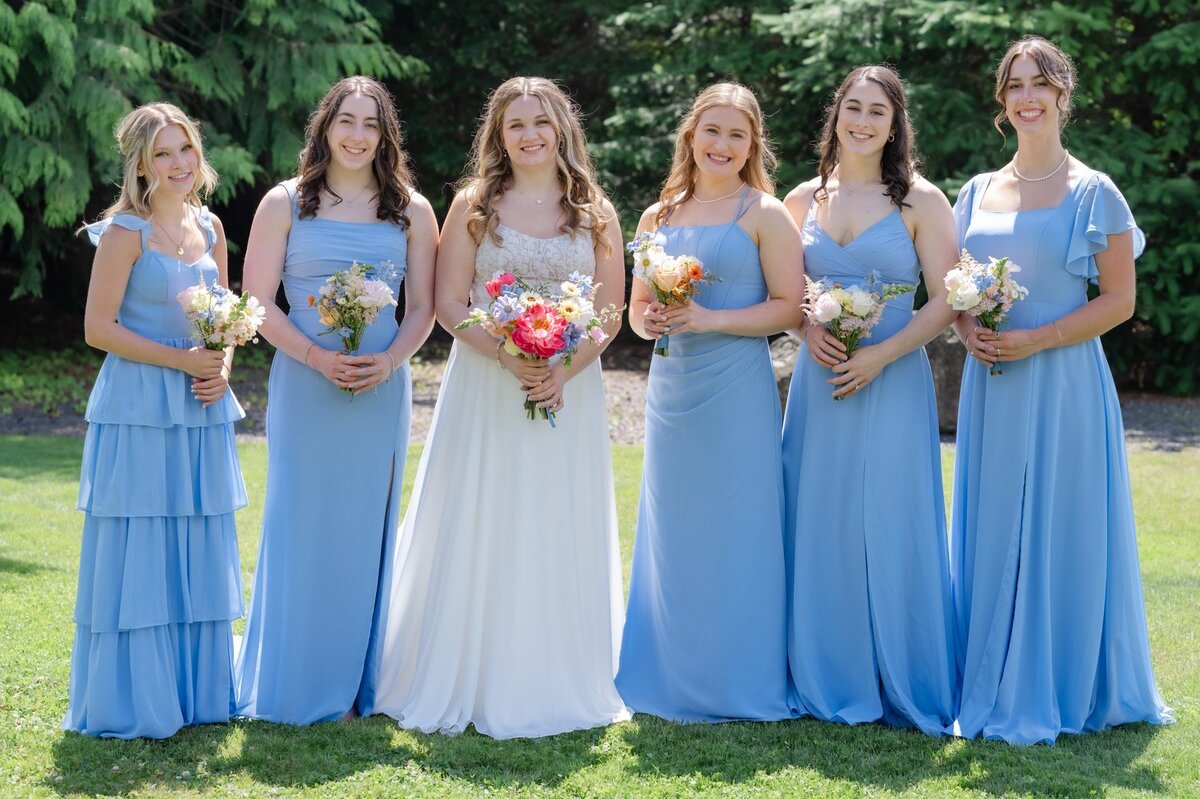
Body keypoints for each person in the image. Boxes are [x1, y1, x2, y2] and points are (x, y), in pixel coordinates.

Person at [370, 76, 628, 739]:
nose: (531, 134)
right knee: (485, 512)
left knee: (551, 515)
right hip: (489, 380)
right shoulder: (473, 205)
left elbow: (608, 311)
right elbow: (451, 301)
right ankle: (470, 668)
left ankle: (550, 670)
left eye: (542, 122)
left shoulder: (595, 209)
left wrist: (563, 368)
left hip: (567, 389)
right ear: (498, 134)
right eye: (516, 124)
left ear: (562, 129)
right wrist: (508, 354)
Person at [950, 36, 1173, 744]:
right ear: (1001, 100)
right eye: (1014, 84)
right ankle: (989, 672)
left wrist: (1038, 338)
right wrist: (968, 332)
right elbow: (954, 289)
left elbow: (1119, 301)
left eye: (1039, 84)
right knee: (992, 526)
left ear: (1062, 96)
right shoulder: (977, 191)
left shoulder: (1095, 190)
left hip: (1065, 381)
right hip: (993, 381)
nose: (1026, 96)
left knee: (1062, 522)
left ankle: (1065, 678)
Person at [234, 76, 437, 724]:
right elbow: (259, 303)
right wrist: (318, 355)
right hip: (304, 383)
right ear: (324, 128)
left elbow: (425, 307)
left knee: (363, 528)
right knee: (302, 523)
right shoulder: (284, 204)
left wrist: (389, 358)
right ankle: (292, 679)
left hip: (380, 390)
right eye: (345, 120)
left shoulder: (412, 210)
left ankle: (355, 685)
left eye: (370, 124)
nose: (356, 134)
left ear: (386, 135)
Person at [616, 82, 803, 722]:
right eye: (712, 131)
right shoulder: (656, 217)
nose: (722, 145)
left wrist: (708, 320)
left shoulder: (765, 214)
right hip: (671, 389)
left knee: (738, 523)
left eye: (737, 135)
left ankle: (736, 676)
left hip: (735, 386)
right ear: (691, 136)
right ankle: (669, 669)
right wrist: (656, 321)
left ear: (752, 145)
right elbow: (636, 313)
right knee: (676, 526)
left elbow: (788, 307)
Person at [781, 65, 959, 734]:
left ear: (894, 124)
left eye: (876, 111)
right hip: (820, 380)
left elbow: (946, 296)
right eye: (852, 107)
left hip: (893, 376)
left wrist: (884, 352)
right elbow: (786, 290)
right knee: (818, 515)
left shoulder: (921, 201)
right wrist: (807, 326)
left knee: (891, 516)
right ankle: (822, 668)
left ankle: (901, 672)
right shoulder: (802, 198)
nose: (862, 120)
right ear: (836, 115)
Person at [66, 103, 245, 738]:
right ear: (140, 164)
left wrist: (220, 365)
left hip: (200, 406)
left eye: (185, 150)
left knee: (195, 541)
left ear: (200, 156)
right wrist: (182, 360)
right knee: (142, 543)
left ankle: (197, 695)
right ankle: (136, 699)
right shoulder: (125, 233)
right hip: (139, 407)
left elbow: (226, 316)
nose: (176, 164)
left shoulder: (213, 227)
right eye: (161, 153)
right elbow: (97, 328)